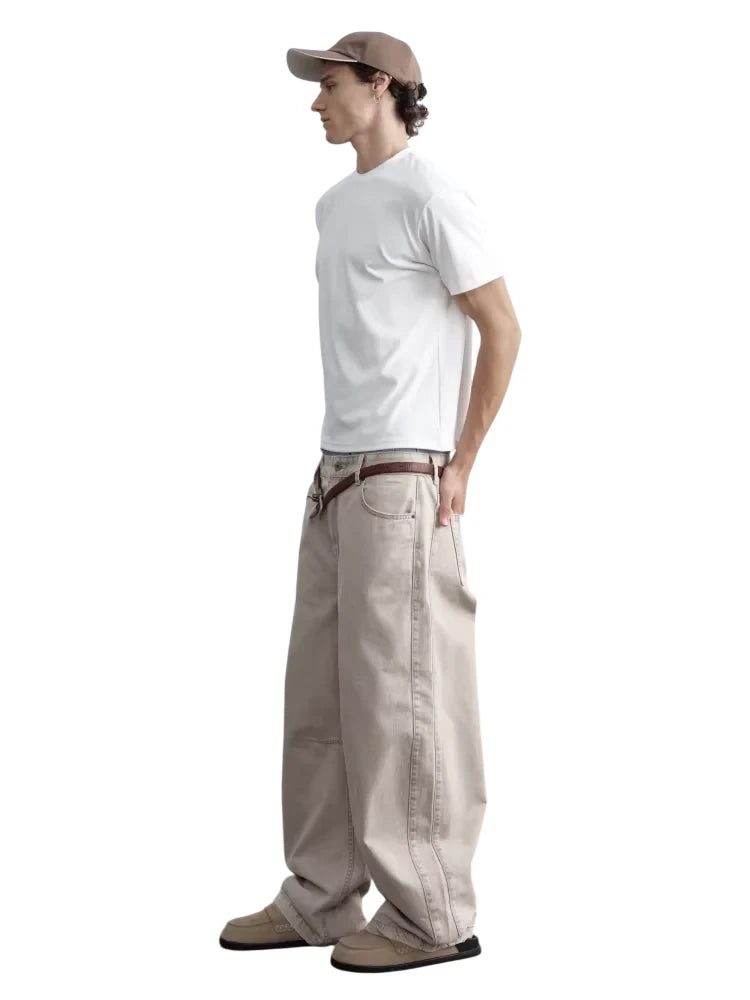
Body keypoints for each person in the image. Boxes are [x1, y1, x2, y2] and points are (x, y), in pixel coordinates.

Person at [219, 30, 522, 974]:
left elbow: (502, 327)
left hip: (401, 478)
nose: (316, 102)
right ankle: (319, 895)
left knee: (403, 701)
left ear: (381, 85)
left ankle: (432, 914)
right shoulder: (336, 204)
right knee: (319, 702)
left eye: (330, 84)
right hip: (333, 478)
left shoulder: (432, 194)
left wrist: (462, 463)